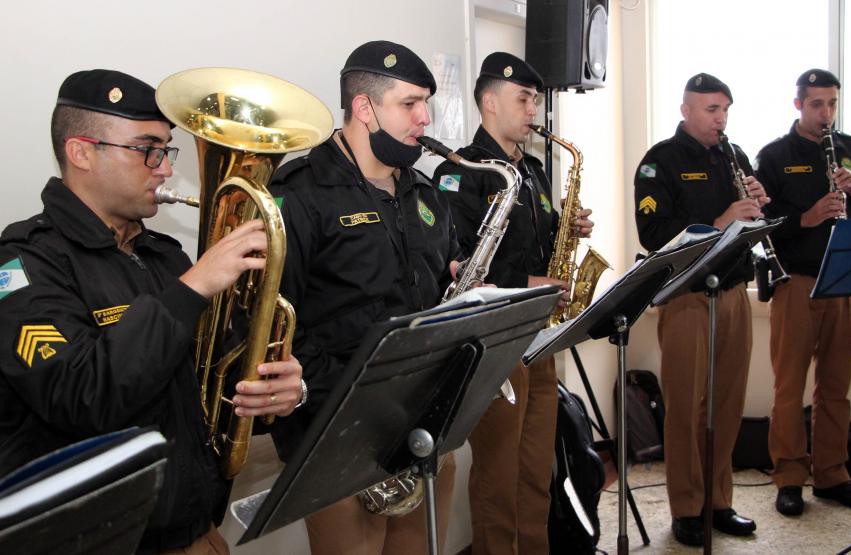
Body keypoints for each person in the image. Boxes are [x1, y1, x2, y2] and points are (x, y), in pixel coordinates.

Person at [0, 69, 305, 554]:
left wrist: (276, 391)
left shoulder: (164, 255)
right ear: (81, 152)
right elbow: (83, 395)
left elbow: (212, 379)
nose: (164, 170)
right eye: (147, 150)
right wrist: (193, 288)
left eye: (167, 151)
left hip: (200, 532)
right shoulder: (22, 264)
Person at [267, 41, 461, 555]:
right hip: (338, 438)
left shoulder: (424, 191)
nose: (424, 117)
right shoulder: (299, 192)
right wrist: (356, 394)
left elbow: (441, 283)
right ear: (364, 107)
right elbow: (273, 324)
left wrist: (466, 298)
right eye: (410, 103)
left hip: (423, 427)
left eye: (426, 103)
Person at [432, 52, 594, 555]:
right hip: (495, 345)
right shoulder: (460, 173)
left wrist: (568, 229)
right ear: (489, 102)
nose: (532, 110)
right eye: (523, 99)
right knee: (498, 480)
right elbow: (457, 266)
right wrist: (529, 283)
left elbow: (538, 245)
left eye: (535, 100)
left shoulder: (536, 171)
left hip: (540, 340)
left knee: (536, 475)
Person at [756, 68, 851, 517]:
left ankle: (833, 475)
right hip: (797, 282)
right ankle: (789, 477)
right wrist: (807, 218)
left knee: (836, 386)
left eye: (832, 103)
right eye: (817, 104)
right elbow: (760, 224)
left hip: (847, 283)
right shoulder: (774, 156)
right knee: (789, 386)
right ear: (798, 104)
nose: (826, 113)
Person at [633, 73, 763, 546]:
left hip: (733, 292)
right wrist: (721, 221)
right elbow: (654, 234)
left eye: (725, 110)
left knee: (727, 403)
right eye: (711, 110)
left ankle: (719, 501)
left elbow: (748, 227)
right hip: (686, 298)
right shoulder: (660, 163)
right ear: (686, 110)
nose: (720, 119)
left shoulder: (734, 156)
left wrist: (757, 208)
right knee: (686, 408)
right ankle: (687, 508)